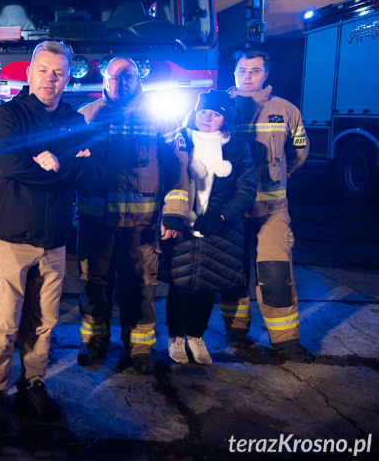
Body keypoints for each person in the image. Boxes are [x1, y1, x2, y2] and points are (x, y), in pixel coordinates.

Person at [0, 41, 102, 434]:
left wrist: (56, 162)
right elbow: (12, 166)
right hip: (11, 240)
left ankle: (33, 385)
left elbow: (92, 171)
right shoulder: (7, 116)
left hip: (54, 240)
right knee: (2, 324)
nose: (51, 79)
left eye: (59, 73)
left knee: (43, 323)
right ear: (29, 73)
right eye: (44, 70)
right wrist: (68, 163)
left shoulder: (74, 120)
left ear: (68, 78)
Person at [75, 56, 189, 376]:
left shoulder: (158, 117)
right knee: (93, 283)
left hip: (142, 223)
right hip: (95, 222)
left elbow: (178, 169)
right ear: (104, 81)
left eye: (128, 77)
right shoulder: (87, 116)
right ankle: (94, 341)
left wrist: (174, 213)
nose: (121, 82)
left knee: (140, 285)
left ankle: (139, 346)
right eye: (114, 77)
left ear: (139, 79)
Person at [218, 51, 313, 362]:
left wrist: (277, 177)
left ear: (265, 75)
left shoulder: (286, 111)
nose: (247, 76)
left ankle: (285, 342)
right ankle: (235, 333)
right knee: (233, 273)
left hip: (271, 210)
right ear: (233, 73)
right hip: (231, 210)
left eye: (255, 70)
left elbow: (297, 153)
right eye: (242, 70)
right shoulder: (218, 107)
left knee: (275, 273)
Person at [159, 91, 257, 365]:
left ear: (225, 118)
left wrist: (222, 216)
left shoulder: (237, 147)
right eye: (203, 112)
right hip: (184, 226)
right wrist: (171, 214)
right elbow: (165, 176)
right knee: (179, 284)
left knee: (207, 285)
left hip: (220, 229)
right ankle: (176, 337)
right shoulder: (179, 139)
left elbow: (246, 188)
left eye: (215, 114)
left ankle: (196, 338)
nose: (207, 118)